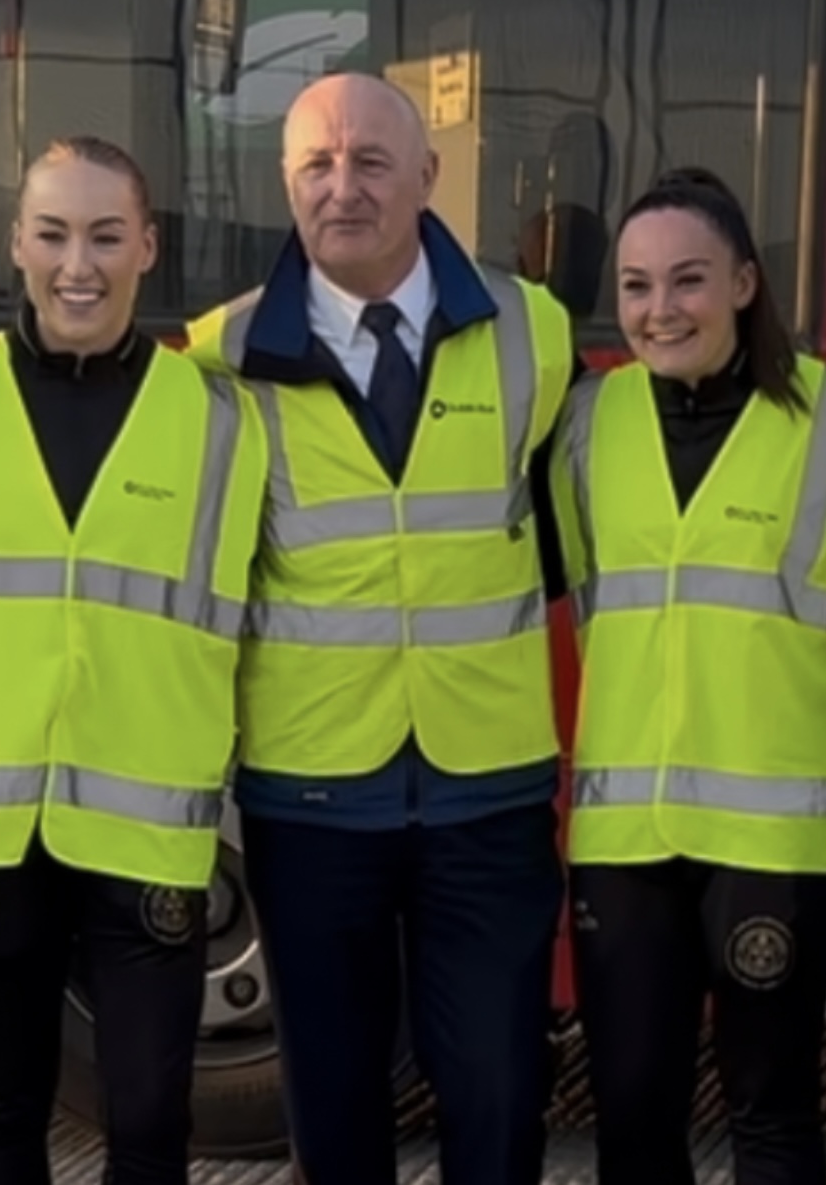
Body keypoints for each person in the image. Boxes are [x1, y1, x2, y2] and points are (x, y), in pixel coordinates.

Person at [183, 71, 577, 1185]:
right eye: (316, 163)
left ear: (427, 177)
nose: (341, 187)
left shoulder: (530, 334)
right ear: (285, 181)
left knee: (499, 1101)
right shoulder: (222, 358)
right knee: (334, 1112)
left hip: (488, 790)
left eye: (369, 162)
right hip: (310, 797)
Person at [0, 135, 267, 1185]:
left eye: (105, 235)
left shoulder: (227, 421)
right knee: (1, 1121)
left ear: (148, 246)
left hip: (152, 832)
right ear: (16, 243)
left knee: (149, 1122)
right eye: (52, 234)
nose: (77, 264)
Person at [550, 166, 826, 1185]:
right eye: (636, 287)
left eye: (687, 281)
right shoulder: (588, 426)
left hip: (776, 837)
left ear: (742, 283)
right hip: (624, 841)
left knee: (772, 1116)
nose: (658, 309)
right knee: (633, 1129)